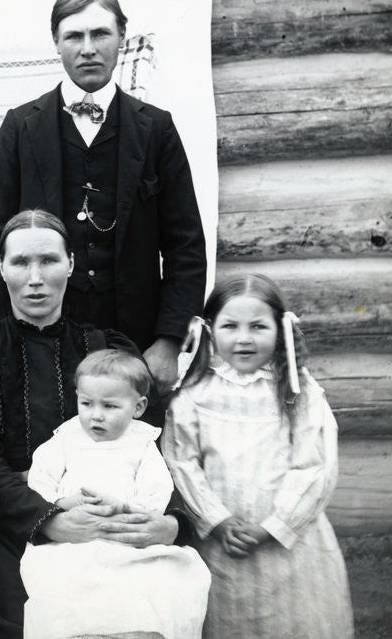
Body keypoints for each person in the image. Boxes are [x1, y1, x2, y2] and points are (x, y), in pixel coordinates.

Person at [0, 209, 184, 637]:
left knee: (147, 606)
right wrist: (49, 520)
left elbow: (148, 447)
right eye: (20, 262)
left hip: (111, 517)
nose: (35, 277)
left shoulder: (109, 351)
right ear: (1, 268)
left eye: (49, 261)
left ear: (71, 265)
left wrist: (170, 521)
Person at [0, 0, 206, 390]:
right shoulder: (21, 126)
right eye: (74, 36)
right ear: (56, 44)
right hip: (39, 336)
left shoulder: (157, 129)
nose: (88, 48)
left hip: (136, 341)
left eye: (100, 34)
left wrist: (168, 342)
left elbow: (186, 244)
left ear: (122, 40)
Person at [162, 273, 354, 638]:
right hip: (221, 542)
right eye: (230, 326)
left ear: (281, 329)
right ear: (209, 329)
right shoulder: (193, 394)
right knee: (227, 621)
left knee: (293, 621)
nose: (244, 338)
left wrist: (275, 526)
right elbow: (181, 461)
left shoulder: (299, 391)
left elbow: (315, 465)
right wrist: (216, 520)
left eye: (258, 326)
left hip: (289, 542)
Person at [19, 349, 209, 639]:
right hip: (72, 541)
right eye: (86, 403)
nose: (96, 415)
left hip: (127, 538)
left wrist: (124, 507)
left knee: (167, 580)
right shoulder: (65, 439)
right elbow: (39, 482)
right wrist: (63, 504)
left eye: (109, 406)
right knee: (64, 585)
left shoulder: (142, 444)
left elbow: (157, 491)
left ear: (138, 406)